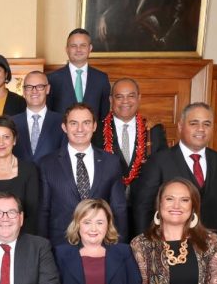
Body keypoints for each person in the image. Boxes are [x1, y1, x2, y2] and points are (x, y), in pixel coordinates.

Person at [132, 102, 217, 245]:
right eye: (194, 123)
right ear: (180, 126)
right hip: (168, 246)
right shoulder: (159, 161)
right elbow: (143, 208)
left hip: (211, 249)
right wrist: (146, 247)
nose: (201, 129)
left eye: (207, 124)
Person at [38, 103, 128, 245]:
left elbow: (119, 208)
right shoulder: (47, 163)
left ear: (94, 126)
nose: (80, 129)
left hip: (101, 245)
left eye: (86, 123)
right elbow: (43, 211)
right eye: (73, 123)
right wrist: (43, 250)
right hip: (60, 245)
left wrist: (120, 246)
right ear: (64, 127)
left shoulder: (111, 162)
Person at [94, 78, 169, 231]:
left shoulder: (154, 130)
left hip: (146, 213)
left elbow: (164, 171)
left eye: (131, 96)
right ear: (110, 99)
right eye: (119, 96)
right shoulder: (96, 131)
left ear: (139, 98)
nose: (125, 101)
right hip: (107, 212)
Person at [46, 29, 111, 122]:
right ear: (66, 49)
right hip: (60, 135)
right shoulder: (52, 79)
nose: (78, 49)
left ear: (90, 48)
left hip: (92, 136)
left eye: (83, 45)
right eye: (73, 46)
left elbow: (104, 116)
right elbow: (49, 114)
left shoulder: (101, 79)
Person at [12, 71, 64, 163]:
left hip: (51, 176)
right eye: (29, 87)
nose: (34, 91)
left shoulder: (62, 122)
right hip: (20, 176)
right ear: (24, 91)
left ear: (47, 89)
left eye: (40, 86)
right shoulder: (11, 123)